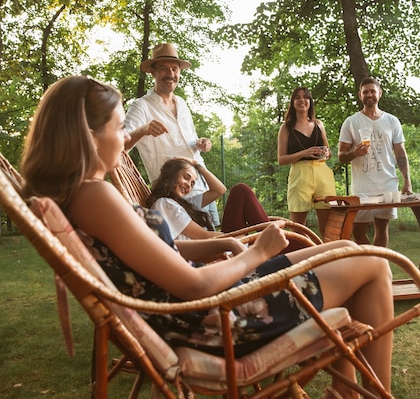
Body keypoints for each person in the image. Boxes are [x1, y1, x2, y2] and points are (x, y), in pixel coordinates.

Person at [20, 76, 394, 398]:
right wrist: (254, 252)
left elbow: (159, 252)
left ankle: (346, 390)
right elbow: (195, 286)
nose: (125, 137)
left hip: (206, 307)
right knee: (374, 263)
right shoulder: (94, 196)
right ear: (88, 136)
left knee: (346, 247)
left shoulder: (82, 197)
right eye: (118, 128)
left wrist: (231, 246)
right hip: (216, 321)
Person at [123, 43, 220, 226]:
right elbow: (121, 145)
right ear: (153, 73)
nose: (171, 74)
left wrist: (201, 142)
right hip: (174, 197)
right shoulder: (141, 106)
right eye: (164, 69)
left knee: (215, 241)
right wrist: (143, 130)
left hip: (201, 185)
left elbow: (191, 139)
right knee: (201, 247)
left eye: (174, 69)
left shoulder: (182, 103)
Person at [145, 157, 311, 253]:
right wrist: (242, 239)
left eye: (193, 182)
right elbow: (203, 237)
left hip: (221, 244)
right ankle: (295, 244)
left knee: (240, 191)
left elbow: (219, 190)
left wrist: (197, 166)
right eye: (186, 177)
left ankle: (287, 241)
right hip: (218, 250)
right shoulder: (165, 204)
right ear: (171, 175)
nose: (189, 185)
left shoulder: (183, 203)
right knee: (297, 245)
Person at [338, 77, 412, 247]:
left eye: (372, 91)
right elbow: (341, 155)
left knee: (382, 227)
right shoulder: (351, 122)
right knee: (358, 230)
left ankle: (379, 267)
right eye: (365, 92)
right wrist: (355, 152)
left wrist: (407, 180)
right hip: (362, 185)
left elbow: (400, 152)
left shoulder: (392, 121)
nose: (369, 94)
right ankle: (371, 261)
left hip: (387, 183)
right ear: (360, 95)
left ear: (380, 93)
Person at [277, 87, 337, 240]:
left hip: (322, 174)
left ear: (310, 102)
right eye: (297, 97)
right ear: (293, 102)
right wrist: (304, 153)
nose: (302, 100)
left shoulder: (319, 124)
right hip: (299, 174)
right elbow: (281, 159)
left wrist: (327, 153)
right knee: (298, 228)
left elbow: (328, 151)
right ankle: (299, 259)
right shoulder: (286, 128)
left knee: (328, 226)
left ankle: (328, 259)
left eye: (305, 97)